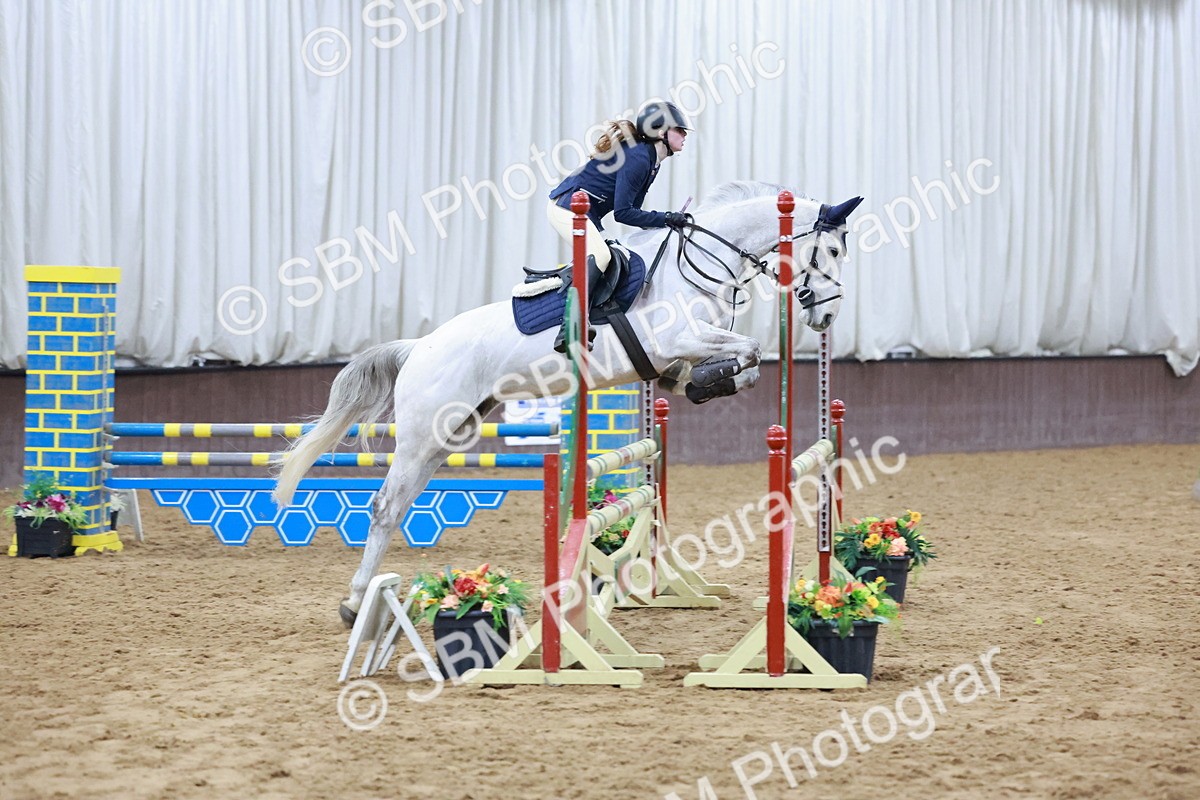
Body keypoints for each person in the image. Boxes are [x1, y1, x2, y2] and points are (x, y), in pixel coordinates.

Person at [546, 101, 693, 350]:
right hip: (567, 207)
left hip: (588, 213)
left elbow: (631, 212)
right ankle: (568, 327)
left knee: (619, 255)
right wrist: (666, 218)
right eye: (679, 130)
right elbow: (624, 214)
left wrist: (666, 221)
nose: (684, 135)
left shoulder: (650, 161)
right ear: (660, 132)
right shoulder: (638, 157)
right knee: (601, 255)